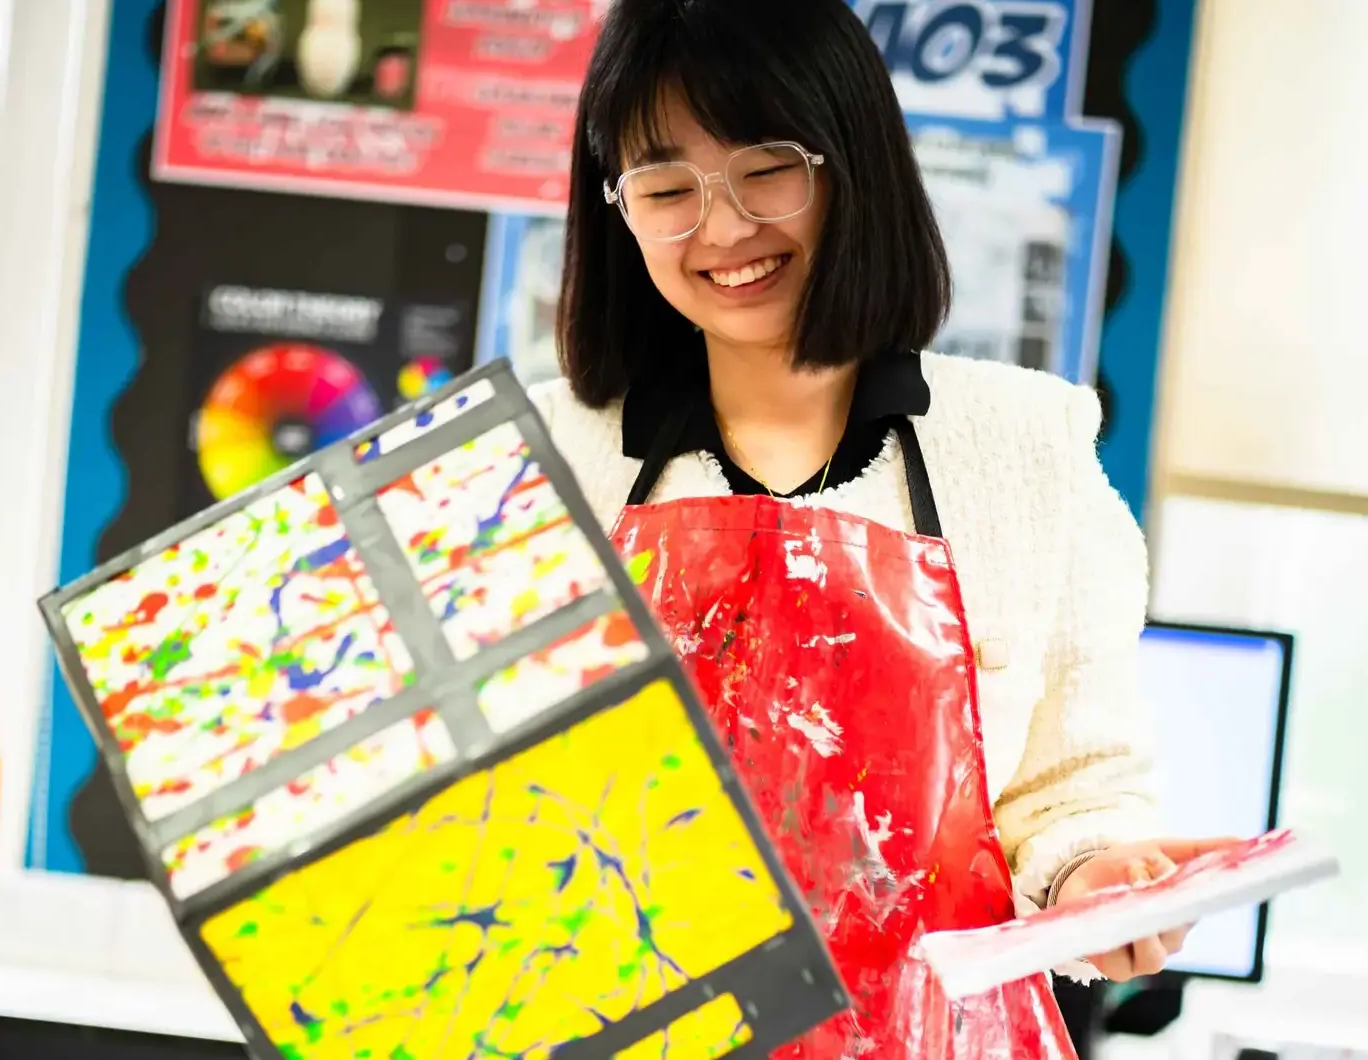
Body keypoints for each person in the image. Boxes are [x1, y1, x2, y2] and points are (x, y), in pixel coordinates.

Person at [529, 0, 1235, 1054]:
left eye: (765, 169)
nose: (720, 229)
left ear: (852, 164)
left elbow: (1072, 792)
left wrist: (1100, 876)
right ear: (618, 210)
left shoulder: (1026, 444)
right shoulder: (537, 457)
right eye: (667, 187)